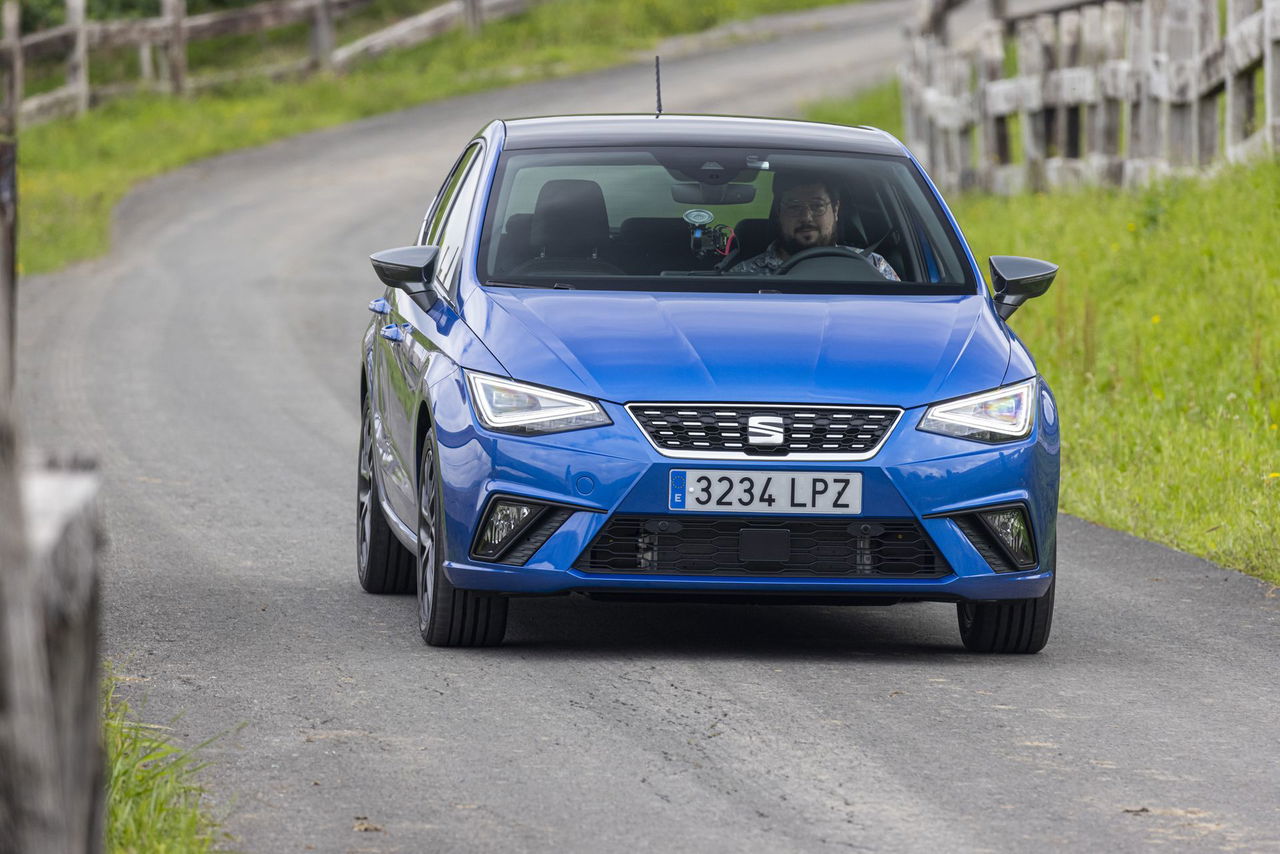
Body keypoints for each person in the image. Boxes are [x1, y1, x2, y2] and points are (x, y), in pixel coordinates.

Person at [729, 172, 900, 280]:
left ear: (835, 210)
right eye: (794, 207)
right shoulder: (745, 276)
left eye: (817, 206)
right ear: (778, 212)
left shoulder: (872, 267)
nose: (806, 217)